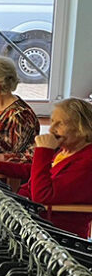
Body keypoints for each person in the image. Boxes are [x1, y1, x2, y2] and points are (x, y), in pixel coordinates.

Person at [6, 98, 92, 237]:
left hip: (51, 233)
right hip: (29, 217)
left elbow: (42, 197)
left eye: (60, 124)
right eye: (52, 122)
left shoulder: (87, 161)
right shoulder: (68, 149)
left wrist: (44, 151)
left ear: (82, 128)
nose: (52, 129)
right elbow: (39, 172)